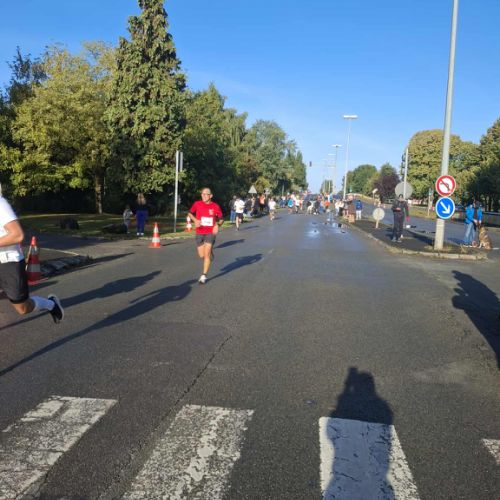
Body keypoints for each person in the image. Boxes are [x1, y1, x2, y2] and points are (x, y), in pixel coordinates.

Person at [0, 191, 64, 322]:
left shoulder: (0, 204)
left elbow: (17, 235)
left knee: (23, 308)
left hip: (8, 262)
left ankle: (50, 304)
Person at [188, 188, 223, 284]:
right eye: (202, 194)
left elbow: (221, 219)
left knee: (206, 254)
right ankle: (209, 253)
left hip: (210, 232)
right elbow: (190, 213)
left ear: (210, 195)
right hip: (199, 231)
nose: (203, 196)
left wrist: (217, 225)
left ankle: (204, 275)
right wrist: (195, 220)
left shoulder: (215, 206)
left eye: (205, 194)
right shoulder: (197, 204)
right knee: (202, 255)